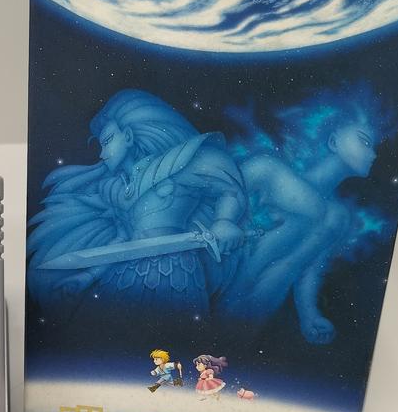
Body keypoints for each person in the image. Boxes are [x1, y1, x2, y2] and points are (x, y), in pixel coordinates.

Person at [27, 89, 248, 320]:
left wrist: (224, 221)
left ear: (128, 136)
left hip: (175, 272)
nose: (102, 154)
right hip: (123, 275)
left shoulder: (174, 167)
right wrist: (86, 277)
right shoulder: (118, 190)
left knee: (173, 333)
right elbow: (122, 241)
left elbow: (228, 188)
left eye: (107, 142)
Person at [220, 92, 383, 344]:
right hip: (210, 289)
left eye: (373, 146)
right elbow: (224, 188)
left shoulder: (338, 217)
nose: (373, 154)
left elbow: (309, 266)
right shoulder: (271, 170)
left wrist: (309, 316)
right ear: (333, 141)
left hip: (252, 317)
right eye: (364, 141)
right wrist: (223, 221)